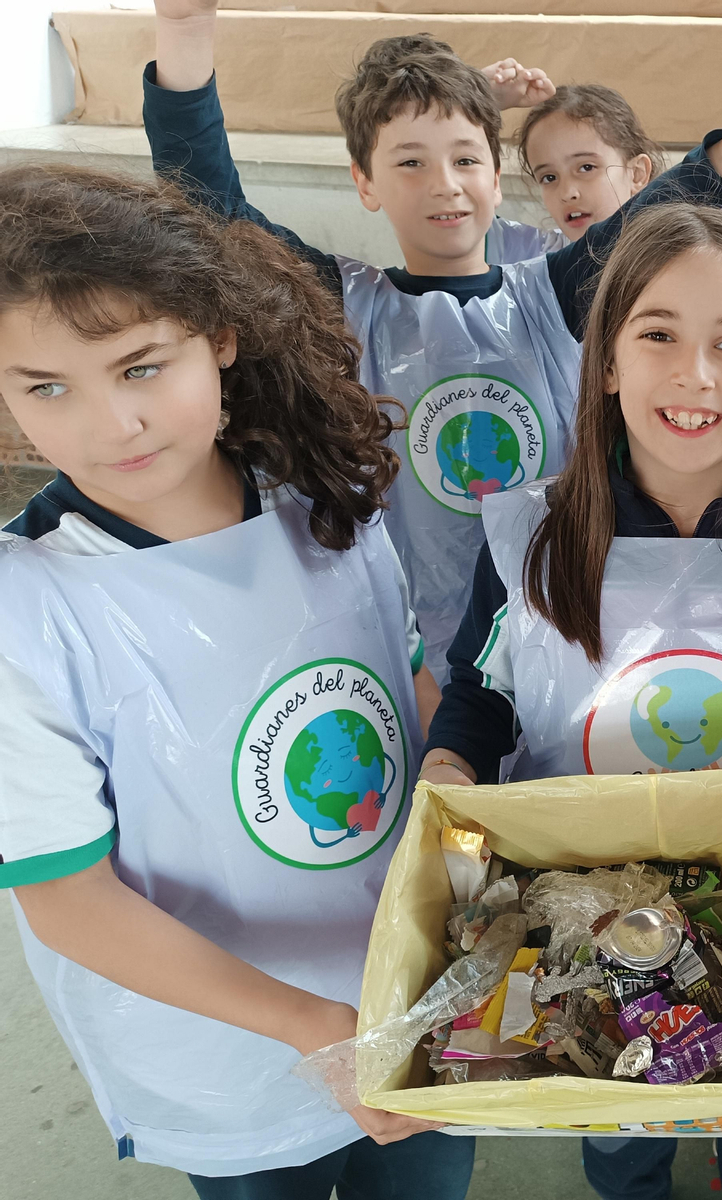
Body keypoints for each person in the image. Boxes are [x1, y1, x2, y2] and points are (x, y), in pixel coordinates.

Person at [144, 0, 722, 679]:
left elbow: (663, 206)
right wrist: (183, 34)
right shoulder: (342, 305)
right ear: (365, 182)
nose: (444, 184)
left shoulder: (554, 294)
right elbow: (214, 212)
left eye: (465, 159)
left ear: (495, 177)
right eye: (410, 162)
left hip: (569, 638)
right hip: (402, 660)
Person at [416, 204, 722, 1200]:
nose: (696, 375)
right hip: (582, 917)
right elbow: (480, 694)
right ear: (605, 362)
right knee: (614, 1114)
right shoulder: (530, 536)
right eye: (659, 336)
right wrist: (447, 771)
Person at [0, 164, 460, 1196]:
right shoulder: (26, 608)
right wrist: (310, 1025)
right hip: (228, 1053)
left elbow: (408, 694)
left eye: (140, 366)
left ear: (220, 336)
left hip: (417, 993)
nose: (111, 424)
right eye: (46, 387)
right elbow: (68, 899)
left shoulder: (325, 497)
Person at [482, 75, 667, 262]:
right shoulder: (541, 259)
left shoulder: (673, 256)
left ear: (636, 174)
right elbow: (470, 224)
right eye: (549, 177)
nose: (567, 193)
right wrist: (480, 96)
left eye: (586, 167)